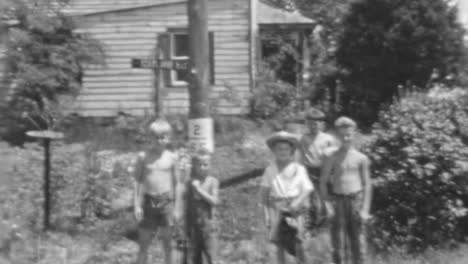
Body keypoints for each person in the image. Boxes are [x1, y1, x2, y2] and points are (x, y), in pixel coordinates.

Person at [320, 117, 372, 264]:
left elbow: (367, 184)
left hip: (355, 201)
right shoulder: (331, 157)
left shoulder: (361, 158)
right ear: (336, 136)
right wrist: (327, 205)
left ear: (354, 134)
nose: (346, 138)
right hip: (337, 201)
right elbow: (323, 182)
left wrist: (365, 210)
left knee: (358, 240)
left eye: (349, 134)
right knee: (338, 242)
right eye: (342, 135)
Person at [260, 131, 314, 264]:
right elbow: (264, 196)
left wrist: (297, 201)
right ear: (274, 151)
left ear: (291, 151)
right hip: (277, 209)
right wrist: (266, 214)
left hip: (295, 209)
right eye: (279, 149)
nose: (283, 152)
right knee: (279, 245)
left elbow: (308, 188)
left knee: (298, 243)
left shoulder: (299, 169)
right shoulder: (270, 170)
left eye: (286, 149)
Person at [132, 119, 179, 264]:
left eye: (163, 137)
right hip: (148, 203)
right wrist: (136, 205)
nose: (159, 141)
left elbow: (177, 184)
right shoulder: (143, 157)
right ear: (150, 138)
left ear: (169, 138)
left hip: (166, 203)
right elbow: (137, 181)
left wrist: (177, 208)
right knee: (143, 245)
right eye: (156, 137)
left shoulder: (172, 158)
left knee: (168, 245)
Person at [297, 108, 337, 230]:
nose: (313, 126)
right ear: (307, 124)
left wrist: (332, 172)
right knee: (312, 200)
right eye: (310, 123)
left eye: (316, 123)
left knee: (325, 199)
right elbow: (302, 156)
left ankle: (326, 223)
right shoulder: (304, 138)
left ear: (321, 124)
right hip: (309, 171)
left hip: (324, 171)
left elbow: (333, 157)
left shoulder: (328, 139)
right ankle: (312, 225)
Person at [180, 148, 220, 264]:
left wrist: (199, 190)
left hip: (209, 225)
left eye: (205, 165)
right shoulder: (189, 183)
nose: (202, 168)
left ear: (210, 165)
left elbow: (215, 201)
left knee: (211, 256)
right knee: (193, 258)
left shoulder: (213, 181)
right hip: (192, 226)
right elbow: (184, 203)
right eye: (199, 165)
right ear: (194, 166)